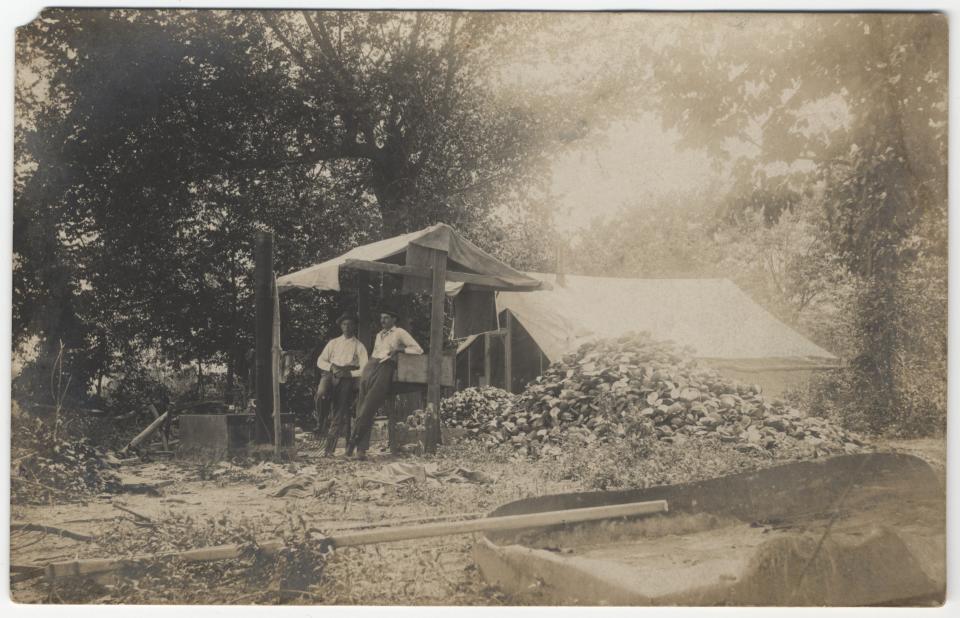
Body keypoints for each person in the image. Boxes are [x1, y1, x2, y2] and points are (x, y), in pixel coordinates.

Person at [347, 305, 423, 459]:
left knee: (368, 406)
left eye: (386, 318)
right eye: (381, 318)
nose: (382, 320)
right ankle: (360, 451)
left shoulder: (399, 332)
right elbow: (376, 353)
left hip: (386, 366)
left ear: (394, 319)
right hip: (371, 365)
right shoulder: (379, 335)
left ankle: (352, 446)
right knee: (361, 406)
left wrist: (399, 350)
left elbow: (418, 349)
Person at [315, 313, 368, 455]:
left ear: (354, 326)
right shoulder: (333, 343)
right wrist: (331, 368)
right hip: (330, 373)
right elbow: (320, 360)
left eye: (350, 324)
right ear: (341, 326)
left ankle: (329, 450)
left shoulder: (359, 346)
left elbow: (365, 368)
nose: (347, 327)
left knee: (339, 411)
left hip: (347, 377)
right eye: (344, 324)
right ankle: (320, 421)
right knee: (320, 394)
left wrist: (349, 374)